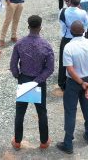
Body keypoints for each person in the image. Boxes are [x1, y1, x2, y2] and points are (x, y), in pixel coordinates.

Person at [10, 15, 55, 151]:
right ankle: (43, 142)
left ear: (28, 26)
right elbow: (50, 68)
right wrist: (37, 81)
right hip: (38, 82)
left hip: (24, 79)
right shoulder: (46, 46)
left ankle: (17, 141)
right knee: (41, 113)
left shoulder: (20, 43)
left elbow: (13, 64)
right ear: (40, 27)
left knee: (20, 113)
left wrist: (18, 76)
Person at [56, 21, 88, 154]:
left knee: (70, 111)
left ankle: (68, 143)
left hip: (73, 82)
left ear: (71, 32)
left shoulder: (69, 47)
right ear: (84, 31)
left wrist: (81, 83)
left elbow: (70, 70)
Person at [58, 0, 88, 91]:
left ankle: (62, 82)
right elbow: (86, 26)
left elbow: (62, 25)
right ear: (79, 3)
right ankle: (80, 77)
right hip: (80, 36)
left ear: (69, 2)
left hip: (67, 37)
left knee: (64, 61)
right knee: (80, 58)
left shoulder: (63, 11)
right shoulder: (83, 12)